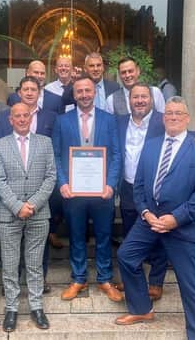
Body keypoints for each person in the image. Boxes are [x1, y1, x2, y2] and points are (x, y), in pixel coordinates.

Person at [115, 96, 195, 340]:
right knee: (126, 256)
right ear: (163, 118)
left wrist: (177, 218)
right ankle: (141, 309)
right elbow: (138, 186)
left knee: (191, 284)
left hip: (184, 224)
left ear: (187, 118)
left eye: (178, 113)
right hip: (150, 220)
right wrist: (146, 213)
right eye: (169, 113)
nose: (173, 117)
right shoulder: (151, 145)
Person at [52, 75, 123, 302]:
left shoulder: (109, 120)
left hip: (102, 192)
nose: (84, 95)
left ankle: (104, 278)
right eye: (79, 91)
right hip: (73, 192)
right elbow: (55, 155)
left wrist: (111, 185)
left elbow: (117, 155)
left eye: (88, 91)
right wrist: (62, 183)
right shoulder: (62, 121)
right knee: (76, 236)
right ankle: (79, 279)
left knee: (104, 236)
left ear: (95, 93)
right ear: (74, 95)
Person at [0, 103, 56, 332]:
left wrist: (33, 204)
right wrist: (17, 206)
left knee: (35, 264)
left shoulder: (45, 142)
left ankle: (36, 307)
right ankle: (11, 309)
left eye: (25, 115)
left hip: (38, 214)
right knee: (10, 265)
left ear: (31, 118)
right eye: (17, 116)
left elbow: (51, 177)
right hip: (9, 214)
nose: (21, 119)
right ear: (10, 120)